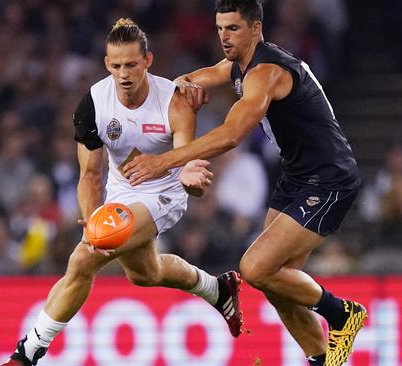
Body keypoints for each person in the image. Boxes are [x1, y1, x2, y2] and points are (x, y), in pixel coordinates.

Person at [123, 1, 367, 365]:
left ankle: (343, 314)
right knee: (279, 285)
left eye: (233, 28)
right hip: (298, 175)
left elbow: (232, 135)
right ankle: (320, 359)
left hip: (328, 178)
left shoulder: (266, 71)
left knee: (255, 269)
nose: (223, 36)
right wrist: (181, 87)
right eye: (220, 28)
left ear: (256, 28)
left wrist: (165, 161)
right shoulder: (240, 65)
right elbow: (194, 78)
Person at [1, 19, 243, 366]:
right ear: (106, 64)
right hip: (121, 193)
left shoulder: (174, 102)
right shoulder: (94, 104)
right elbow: (89, 174)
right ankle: (217, 289)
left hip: (163, 194)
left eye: (131, 64)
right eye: (116, 66)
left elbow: (186, 157)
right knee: (145, 275)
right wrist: (90, 220)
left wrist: (191, 177)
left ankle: (27, 353)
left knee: (84, 259)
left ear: (148, 60)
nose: (124, 74)